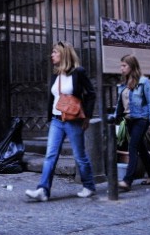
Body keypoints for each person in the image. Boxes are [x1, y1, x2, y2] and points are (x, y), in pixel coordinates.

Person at [25, 41, 97, 202]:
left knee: (79, 156)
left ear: (63, 54)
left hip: (72, 120)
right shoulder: (55, 75)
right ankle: (43, 190)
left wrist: (87, 116)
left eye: (55, 52)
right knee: (50, 155)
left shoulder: (78, 72)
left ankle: (89, 185)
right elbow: (53, 98)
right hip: (57, 120)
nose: (52, 55)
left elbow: (91, 94)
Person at [113, 54, 150, 192]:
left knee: (132, 146)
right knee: (141, 148)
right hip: (129, 120)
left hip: (141, 119)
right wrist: (113, 119)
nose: (122, 68)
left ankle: (127, 180)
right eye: (121, 66)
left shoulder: (144, 82)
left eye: (124, 66)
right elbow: (120, 105)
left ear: (132, 66)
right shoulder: (122, 85)